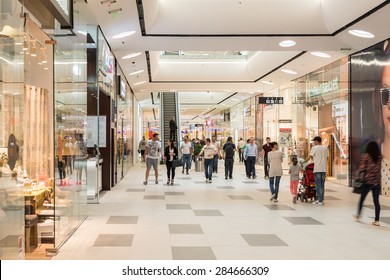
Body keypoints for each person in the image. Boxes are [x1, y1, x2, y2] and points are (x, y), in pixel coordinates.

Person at [354, 141, 381, 226]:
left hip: (367, 182)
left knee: (362, 199)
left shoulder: (366, 156)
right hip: (377, 182)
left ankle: (358, 216)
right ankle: (377, 220)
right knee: (376, 201)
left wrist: (359, 174)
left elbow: (362, 168)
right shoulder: (379, 157)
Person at [305, 136, 328, 205]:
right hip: (324, 169)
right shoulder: (325, 148)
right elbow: (327, 158)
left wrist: (303, 162)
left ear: (317, 141)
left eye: (314, 141)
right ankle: (321, 199)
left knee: (318, 185)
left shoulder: (314, 148)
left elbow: (309, 157)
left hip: (317, 168)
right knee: (322, 185)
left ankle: (319, 200)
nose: (313, 142)